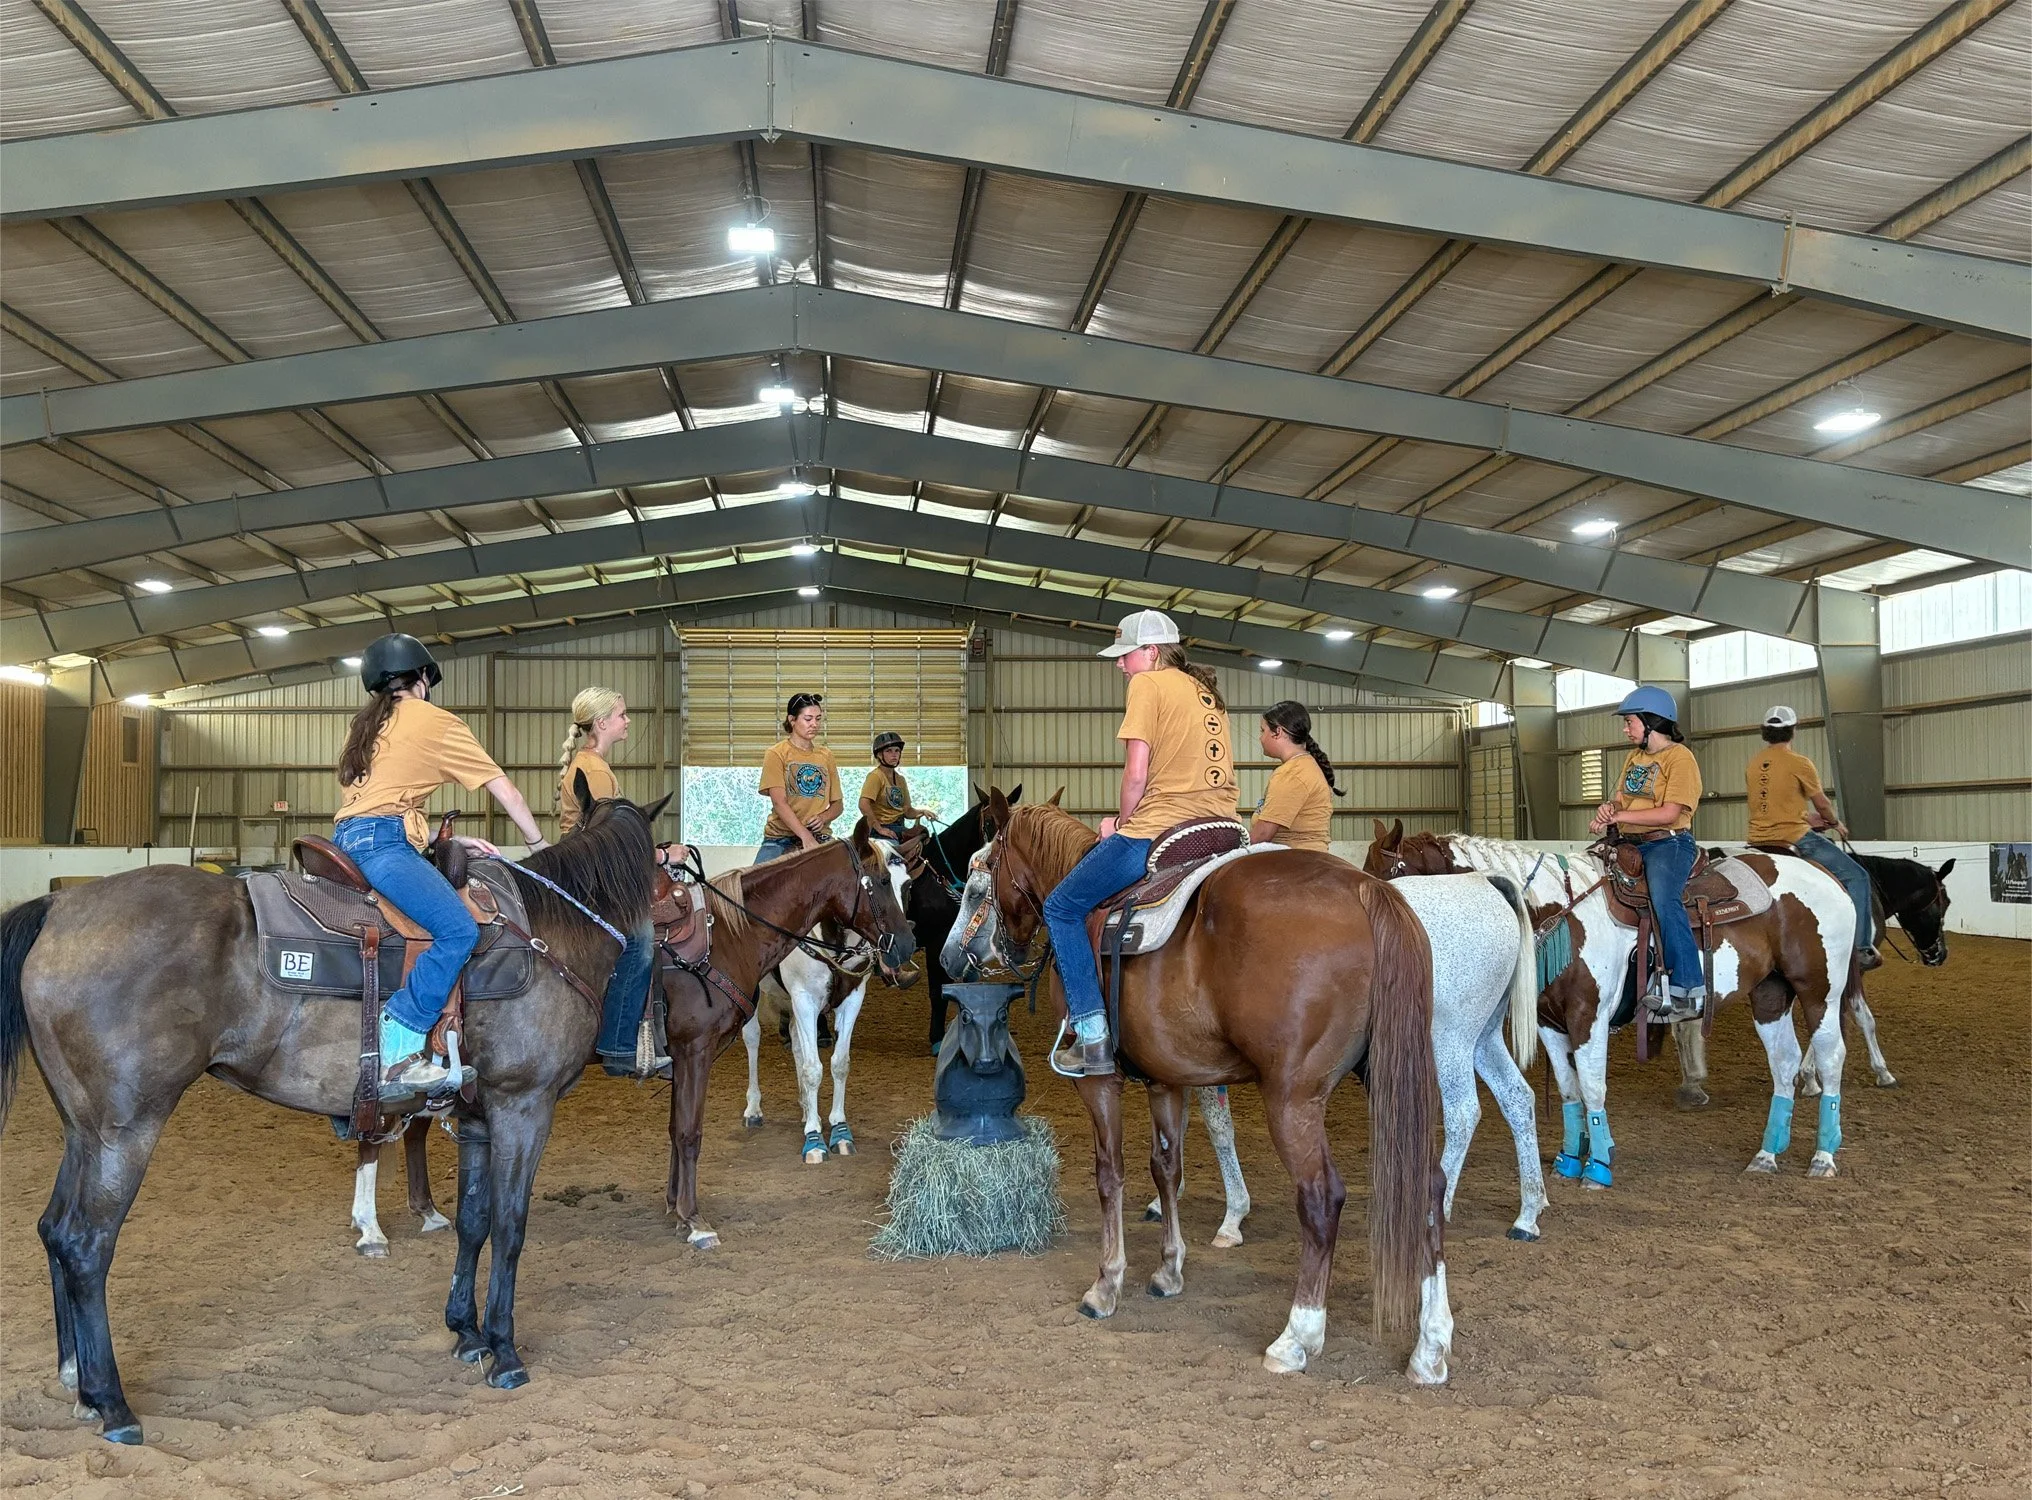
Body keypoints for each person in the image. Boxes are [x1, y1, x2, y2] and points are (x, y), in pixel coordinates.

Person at [333, 633, 549, 1095]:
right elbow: (503, 789)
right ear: (424, 679)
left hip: (347, 840)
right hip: (383, 846)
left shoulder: (368, 726)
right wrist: (538, 843)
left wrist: (442, 837)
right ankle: (399, 1043)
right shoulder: (436, 720)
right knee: (458, 931)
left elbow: (375, 806)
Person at [1042, 609, 1239, 1077]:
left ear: (1151, 652)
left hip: (1162, 826)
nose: (1120, 665)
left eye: (1125, 655)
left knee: (1061, 907)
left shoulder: (1147, 684)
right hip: (1225, 827)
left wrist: (1120, 824)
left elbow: (1136, 775)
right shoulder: (1206, 691)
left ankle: (1091, 1037)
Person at [558, 687, 670, 1077]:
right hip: (592, 877)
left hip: (585, 870)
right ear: (603, 723)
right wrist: (660, 855)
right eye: (622, 715)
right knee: (639, 939)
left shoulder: (592, 765)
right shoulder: (594, 770)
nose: (627, 721)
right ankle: (620, 1045)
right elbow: (614, 842)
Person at [1589, 685, 1705, 1021]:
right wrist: (1608, 809)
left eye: (1630, 722)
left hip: (1668, 844)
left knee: (1665, 899)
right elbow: (1623, 800)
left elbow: (1670, 813)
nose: (1625, 729)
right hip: (1631, 844)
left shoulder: (1680, 759)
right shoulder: (1635, 757)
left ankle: (1687, 986)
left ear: (1652, 723)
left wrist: (1621, 816)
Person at [1747, 705, 1882, 970]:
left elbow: (1775, 803)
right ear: (1793, 731)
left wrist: (1805, 816)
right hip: (1795, 838)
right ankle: (1862, 947)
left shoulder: (1753, 764)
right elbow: (1822, 804)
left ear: (1765, 732)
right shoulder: (1800, 763)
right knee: (1857, 876)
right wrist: (1833, 822)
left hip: (1757, 839)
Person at [756, 691, 842, 864]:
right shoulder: (776, 753)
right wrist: (805, 836)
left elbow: (838, 805)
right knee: (753, 885)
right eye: (808, 719)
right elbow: (779, 803)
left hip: (820, 836)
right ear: (792, 720)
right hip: (780, 838)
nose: (814, 724)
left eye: (818, 719)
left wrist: (823, 818)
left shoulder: (826, 755)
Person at [1249, 699, 1339, 852]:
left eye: (1263, 731)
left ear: (1278, 732)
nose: (1260, 738)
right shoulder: (1305, 766)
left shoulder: (1292, 773)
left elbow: (1263, 834)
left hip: (1293, 859)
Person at [860, 731, 930, 841]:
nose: (894, 754)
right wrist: (879, 828)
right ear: (879, 754)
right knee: (896, 854)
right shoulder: (875, 776)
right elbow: (863, 804)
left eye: (897, 750)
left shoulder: (901, 779)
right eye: (889, 751)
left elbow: (907, 811)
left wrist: (922, 812)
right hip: (880, 829)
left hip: (899, 828)